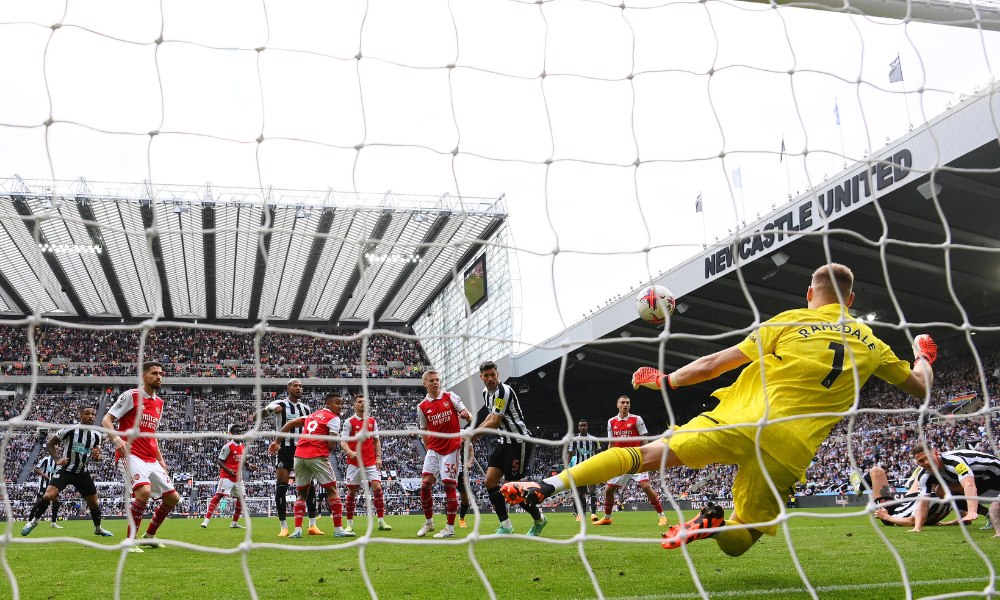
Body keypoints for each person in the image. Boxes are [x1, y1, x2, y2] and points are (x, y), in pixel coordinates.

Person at [502, 263, 936, 556]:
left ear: (809, 294)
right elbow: (919, 390)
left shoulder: (788, 321)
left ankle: (548, 484)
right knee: (739, 542)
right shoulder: (872, 343)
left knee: (647, 455)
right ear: (852, 298)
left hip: (742, 419)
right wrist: (923, 357)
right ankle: (713, 525)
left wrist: (667, 380)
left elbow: (714, 364)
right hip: (789, 450)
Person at [102, 361, 181, 553]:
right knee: (143, 493)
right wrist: (116, 440)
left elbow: (151, 433)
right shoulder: (131, 396)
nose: (159, 377)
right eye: (154, 373)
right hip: (130, 454)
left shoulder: (159, 403)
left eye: (161, 373)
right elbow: (107, 420)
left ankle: (149, 536)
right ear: (143, 376)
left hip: (150, 457)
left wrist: (160, 459)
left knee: (173, 498)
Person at [472, 360, 548, 536]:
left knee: (511, 487)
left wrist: (475, 432)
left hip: (518, 442)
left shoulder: (503, 391)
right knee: (490, 481)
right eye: (486, 376)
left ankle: (539, 519)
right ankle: (506, 525)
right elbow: (490, 416)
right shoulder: (486, 392)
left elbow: (495, 421)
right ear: (481, 377)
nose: (490, 379)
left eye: (493, 374)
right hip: (504, 441)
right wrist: (475, 433)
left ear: (498, 374)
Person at [268, 392, 355, 539]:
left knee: (302, 493)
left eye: (342, 404)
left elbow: (289, 424)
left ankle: (297, 530)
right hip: (316, 455)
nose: (340, 406)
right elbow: (331, 442)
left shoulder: (313, 415)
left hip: (299, 455)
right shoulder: (333, 418)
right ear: (328, 403)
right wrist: (324, 455)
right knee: (332, 490)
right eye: (337, 403)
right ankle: (339, 529)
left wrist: (277, 442)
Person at [21, 406, 113, 537]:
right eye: (87, 414)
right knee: (47, 496)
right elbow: (50, 443)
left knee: (94, 503)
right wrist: (57, 459)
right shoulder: (70, 430)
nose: (91, 416)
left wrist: (98, 457)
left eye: (93, 414)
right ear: (80, 415)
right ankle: (34, 521)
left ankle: (98, 528)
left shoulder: (97, 435)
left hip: (82, 473)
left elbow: (97, 457)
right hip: (66, 471)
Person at [590, 396, 668, 527]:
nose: (625, 404)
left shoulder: (637, 419)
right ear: (617, 405)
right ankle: (607, 517)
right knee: (609, 490)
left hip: (636, 457)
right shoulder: (611, 421)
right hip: (620, 459)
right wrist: (609, 459)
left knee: (645, 487)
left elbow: (644, 440)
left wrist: (646, 456)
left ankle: (662, 516)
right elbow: (611, 444)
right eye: (623, 402)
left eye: (628, 403)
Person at [263, 379, 323, 537]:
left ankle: (312, 525)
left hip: (303, 448)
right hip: (284, 449)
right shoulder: (280, 404)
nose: (299, 388)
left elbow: (311, 428)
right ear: (288, 388)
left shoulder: (306, 408)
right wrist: (272, 408)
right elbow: (265, 410)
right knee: (281, 486)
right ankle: (284, 527)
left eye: (301, 386)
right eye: (295, 385)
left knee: (308, 487)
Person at [416, 370, 472, 538]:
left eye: (437, 380)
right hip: (433, 449)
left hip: (451, 448)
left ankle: (450, 528)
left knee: (449, 486)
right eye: (431, 380)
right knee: (425, 485)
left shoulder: (450, 397)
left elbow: (469, 416)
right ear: (425, 383)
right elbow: (424, 430)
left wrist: (465, 415)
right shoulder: (422, 407)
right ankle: (429, 523)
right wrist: (428, 449)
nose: (435, 382)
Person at [908, 443, 1000, 535]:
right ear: (917, 463)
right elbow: (923, 503)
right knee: (940, 492)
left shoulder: (954, 462)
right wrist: (917, 527)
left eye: (928, 457)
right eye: (921, 461)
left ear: (936, 454)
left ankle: (991, 513)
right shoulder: (924, 476)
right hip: (980, 480)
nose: (927, 463)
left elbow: (969, 484)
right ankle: (989, 514)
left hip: (995, 474)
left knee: (950, 488)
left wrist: (971, 511)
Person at [340, 394, 391, 532]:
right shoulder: (349, 422)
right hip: (354, 463)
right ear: (354, 405)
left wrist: (378, 457)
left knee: (377, 487)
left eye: (364, 402)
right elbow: (343, 442)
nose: (363, 404)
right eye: (359, 402)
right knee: (352, 491)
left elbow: (376, 441)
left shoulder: (372, 421)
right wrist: (350, 452)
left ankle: (381, 521)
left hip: (370, 462)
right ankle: (349, 523)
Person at [869, 465, 953, 527]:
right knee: (924, 474)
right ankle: (915, 479)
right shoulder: (955, 498)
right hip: (911, 504)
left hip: (894, 513)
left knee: (876, 471)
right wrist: (948, 523)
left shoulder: (929, 499)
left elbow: (911, 521)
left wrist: (886, 516)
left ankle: (859, 486)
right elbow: (965, 519)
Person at [201, 424, 249, 529]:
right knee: (219, 496)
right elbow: (219, 461)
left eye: (240, 432)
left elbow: (241, 459)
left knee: (241, 498)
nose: (239, 434)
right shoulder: (227, 446)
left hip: (238, 478)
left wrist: (249, 465)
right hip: (227, 476)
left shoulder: (241, 445)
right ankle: (206, 520)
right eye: (236, 432)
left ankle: (234, 523)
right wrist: (229, 470)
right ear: (231, 434)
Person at [568, 419, 601, 522]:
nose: (583, 427)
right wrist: (567, 467)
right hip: (579, 469)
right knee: (580, 493)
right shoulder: (574, 440)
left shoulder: (594, 440)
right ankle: (581, 514)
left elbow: (600, 453)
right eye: (581, 426)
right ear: (578, 427)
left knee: (592, 490)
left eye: (584, 426)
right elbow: (570, 454)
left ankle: (593, 514)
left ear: (587, 426)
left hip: (591, 468)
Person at [27, 446, 60, 529]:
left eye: (58, 450)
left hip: (53, 485)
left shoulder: (59, 462)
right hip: (43, 484)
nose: (57, 451)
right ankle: (30, 521)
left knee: (56, 502)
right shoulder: (46, 459)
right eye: (55, 449)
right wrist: (44, 475)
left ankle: (53, 523)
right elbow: (36, 469)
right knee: (39, 503)